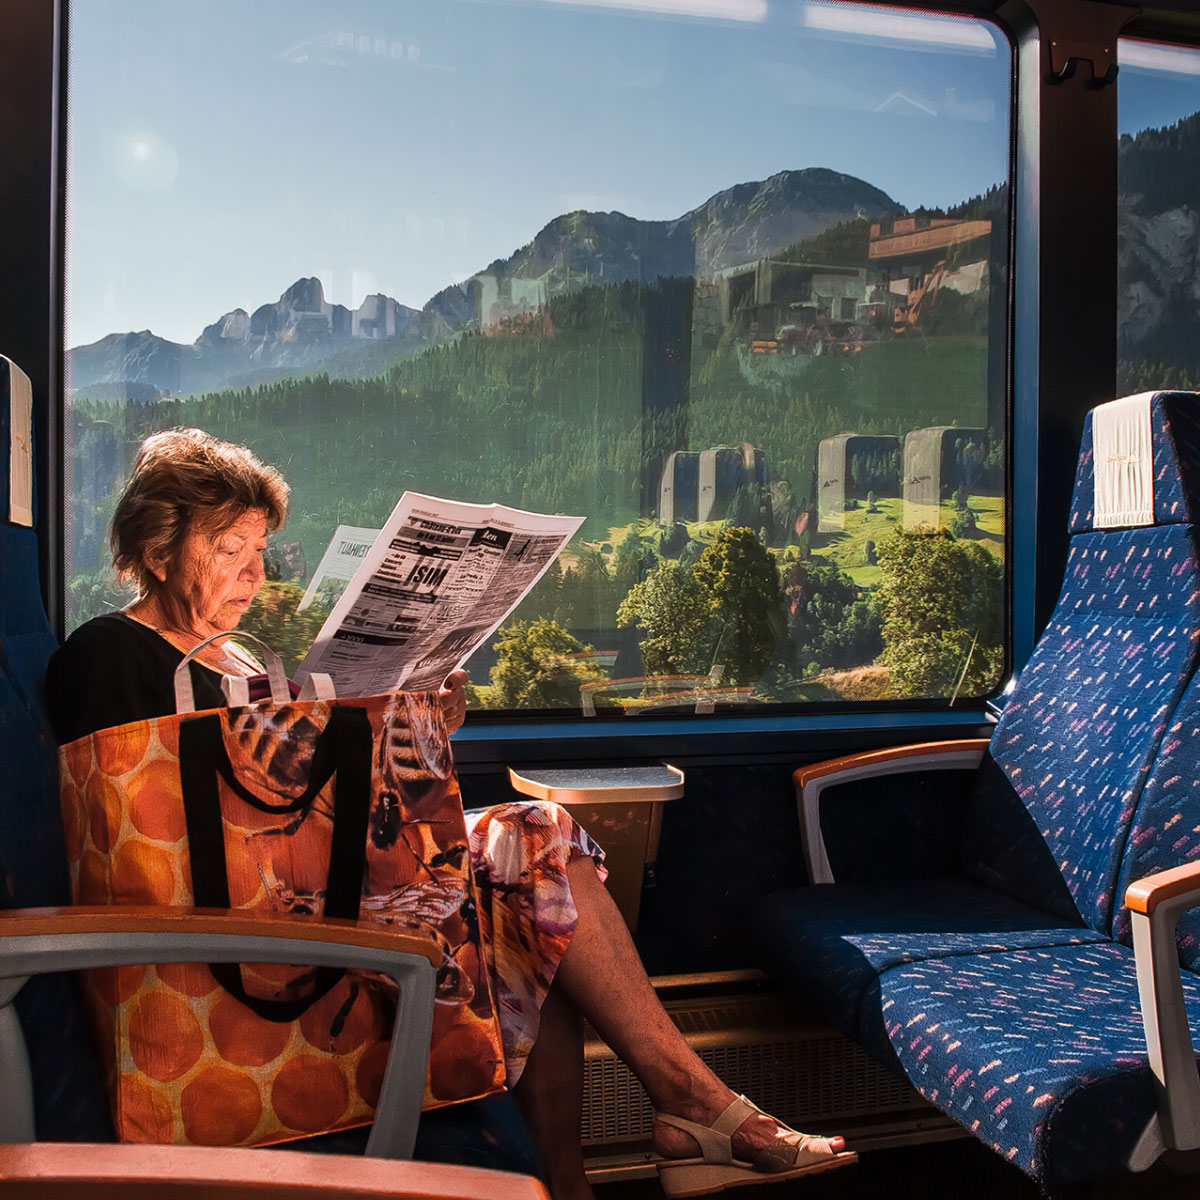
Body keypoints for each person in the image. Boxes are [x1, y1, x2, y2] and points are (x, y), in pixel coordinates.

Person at [46, 429, 855, 1200]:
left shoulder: (243, 658)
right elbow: (154, 836)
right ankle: (677, 1112)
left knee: (536, 855)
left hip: (321, 884)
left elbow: (313, 789)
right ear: (156, 553)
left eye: (260, 552)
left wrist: (418, 716)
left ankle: (615, 1149)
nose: (254, 577)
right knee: (537, 874)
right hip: (243, 939)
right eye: (229, 551)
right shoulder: (107, 654)